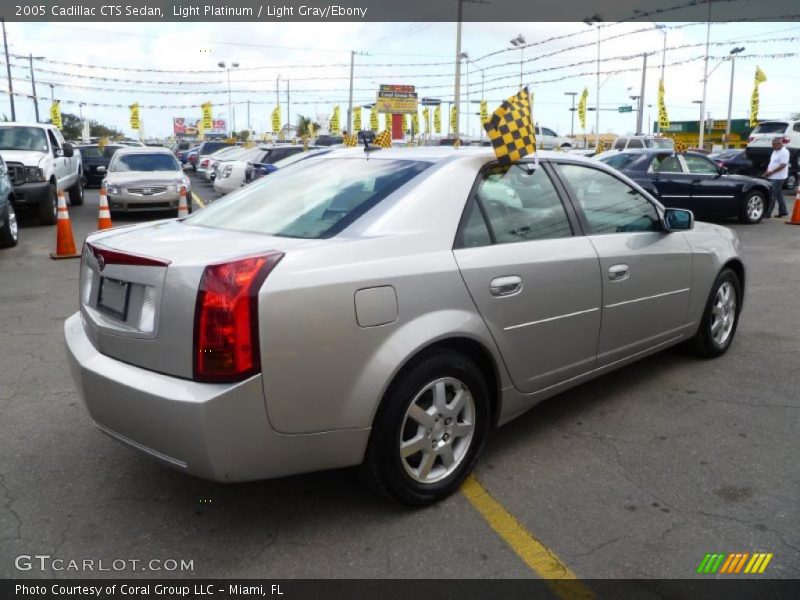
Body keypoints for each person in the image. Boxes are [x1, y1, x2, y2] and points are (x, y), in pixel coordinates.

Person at [762, 137, 790, 218]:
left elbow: (783, 165)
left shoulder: (784, 152)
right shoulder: (775, 151)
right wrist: (766, 172)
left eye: (774, 145)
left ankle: (768, 213)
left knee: (772, 194)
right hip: (772, 175)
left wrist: (771, 172)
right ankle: (783, 211)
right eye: (772, 144)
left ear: (779, 144)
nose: (772, 146)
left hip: (779, 177)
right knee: (778, 194)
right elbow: (771, 163)